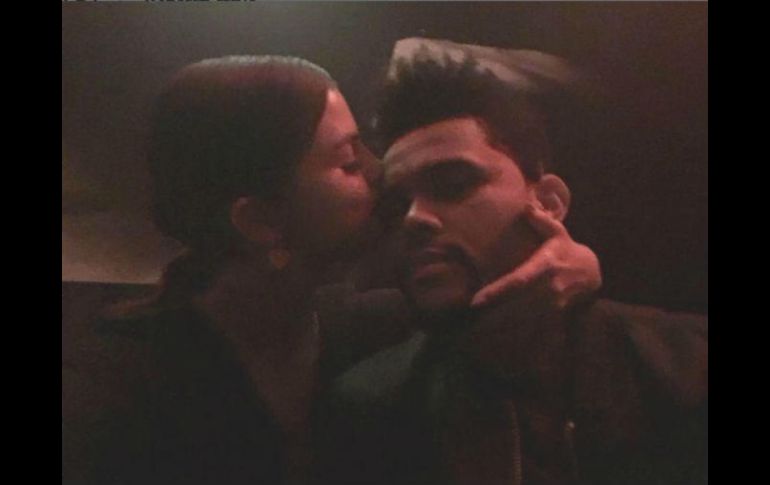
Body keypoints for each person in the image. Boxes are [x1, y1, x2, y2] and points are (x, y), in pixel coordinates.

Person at [61, 55, 602, 485]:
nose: (380, 172)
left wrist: (575, 267)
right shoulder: (113, 390)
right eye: (348, 162)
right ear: (261, 221)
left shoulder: (372, 325)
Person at [316, 54, 707, 485]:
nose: (413, 218)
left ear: (548, 202)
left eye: (454, 184)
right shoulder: (369, 409)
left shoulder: (686, 368)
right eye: (396, 205)